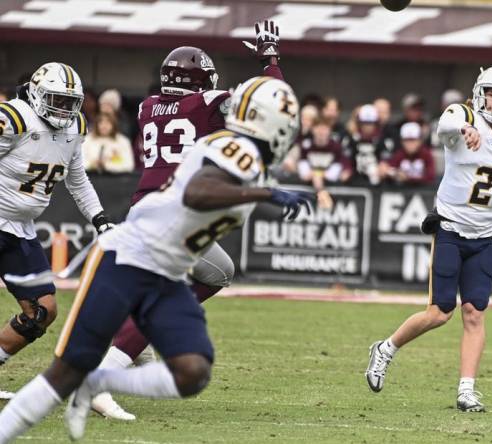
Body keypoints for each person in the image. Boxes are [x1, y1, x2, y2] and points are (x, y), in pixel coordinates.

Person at [0, 75, 309, 443]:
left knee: (193, 370)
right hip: (129, 259)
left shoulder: (247, 159)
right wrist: (267, 193)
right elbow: (197, 193)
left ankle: (98, 379)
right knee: (64, 372)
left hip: (167, 273)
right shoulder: (234, 150)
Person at [89, 20, 287, 420]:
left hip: (145, 207)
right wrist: (269, 59)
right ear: (200, 80)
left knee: (218, 270)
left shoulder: (147, 108)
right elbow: (271, 100)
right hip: (174, 212)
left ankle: (134, 339)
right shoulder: (207, 102)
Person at [365, 65, 492, 412]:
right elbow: (443, 125)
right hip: (450, 228)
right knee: (439, 312)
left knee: (475, 314)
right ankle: (386, 348)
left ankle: (466, 391)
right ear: (480, 92)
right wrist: (465, 129)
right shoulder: (461, 114)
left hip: (486, 236)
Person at [0, 63, 113, 399]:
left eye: (69, 101)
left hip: (20, 230)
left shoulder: (74, 127)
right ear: (36, 93)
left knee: (42, 310)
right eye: (56, 100)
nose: (63, 109)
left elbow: (77, 180)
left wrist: (100, 219)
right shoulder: (14, 118)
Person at [379, 122, 435, 186]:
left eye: (413, 140)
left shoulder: (426, 154)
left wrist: (408, 178)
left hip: (425, 192)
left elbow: (431, 177)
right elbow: (390, 169)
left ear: (419, 140)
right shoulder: (399, 154)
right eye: (406, 140)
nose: (410, 144)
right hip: (403, 193)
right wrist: (388, 171)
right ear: (401, 141)